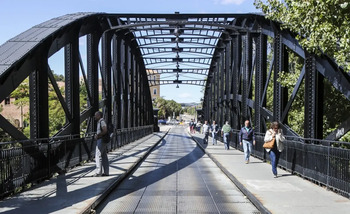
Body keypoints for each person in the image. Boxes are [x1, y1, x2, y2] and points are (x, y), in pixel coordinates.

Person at [94, 111, 109, 177]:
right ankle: (106, 172)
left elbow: (105, 130)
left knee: (98, 155)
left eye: (96, 115)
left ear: (99, 116)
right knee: (104, 156)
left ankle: (98, 172)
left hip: (101, 140)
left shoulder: (101, 121)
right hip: (102, 140)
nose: (95, 116)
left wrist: (98, 135)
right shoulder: (100, 122)